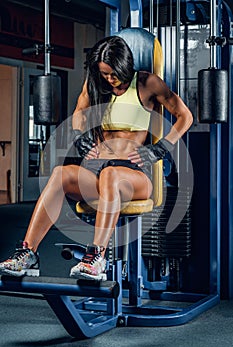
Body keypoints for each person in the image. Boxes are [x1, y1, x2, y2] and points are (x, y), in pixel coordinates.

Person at [0, 35, 193, 280]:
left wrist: (158, 150)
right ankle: (27, 253)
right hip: (99, 173)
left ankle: (97, 256)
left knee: (112, 175)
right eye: (104, 74)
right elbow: (79, 115)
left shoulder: (147, 83)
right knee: (61, 174)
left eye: (113, 73)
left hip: (134, 176)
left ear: (125, 65)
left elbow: (185, 117)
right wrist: (82, 140)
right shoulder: (96, 85)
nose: (109, 79)